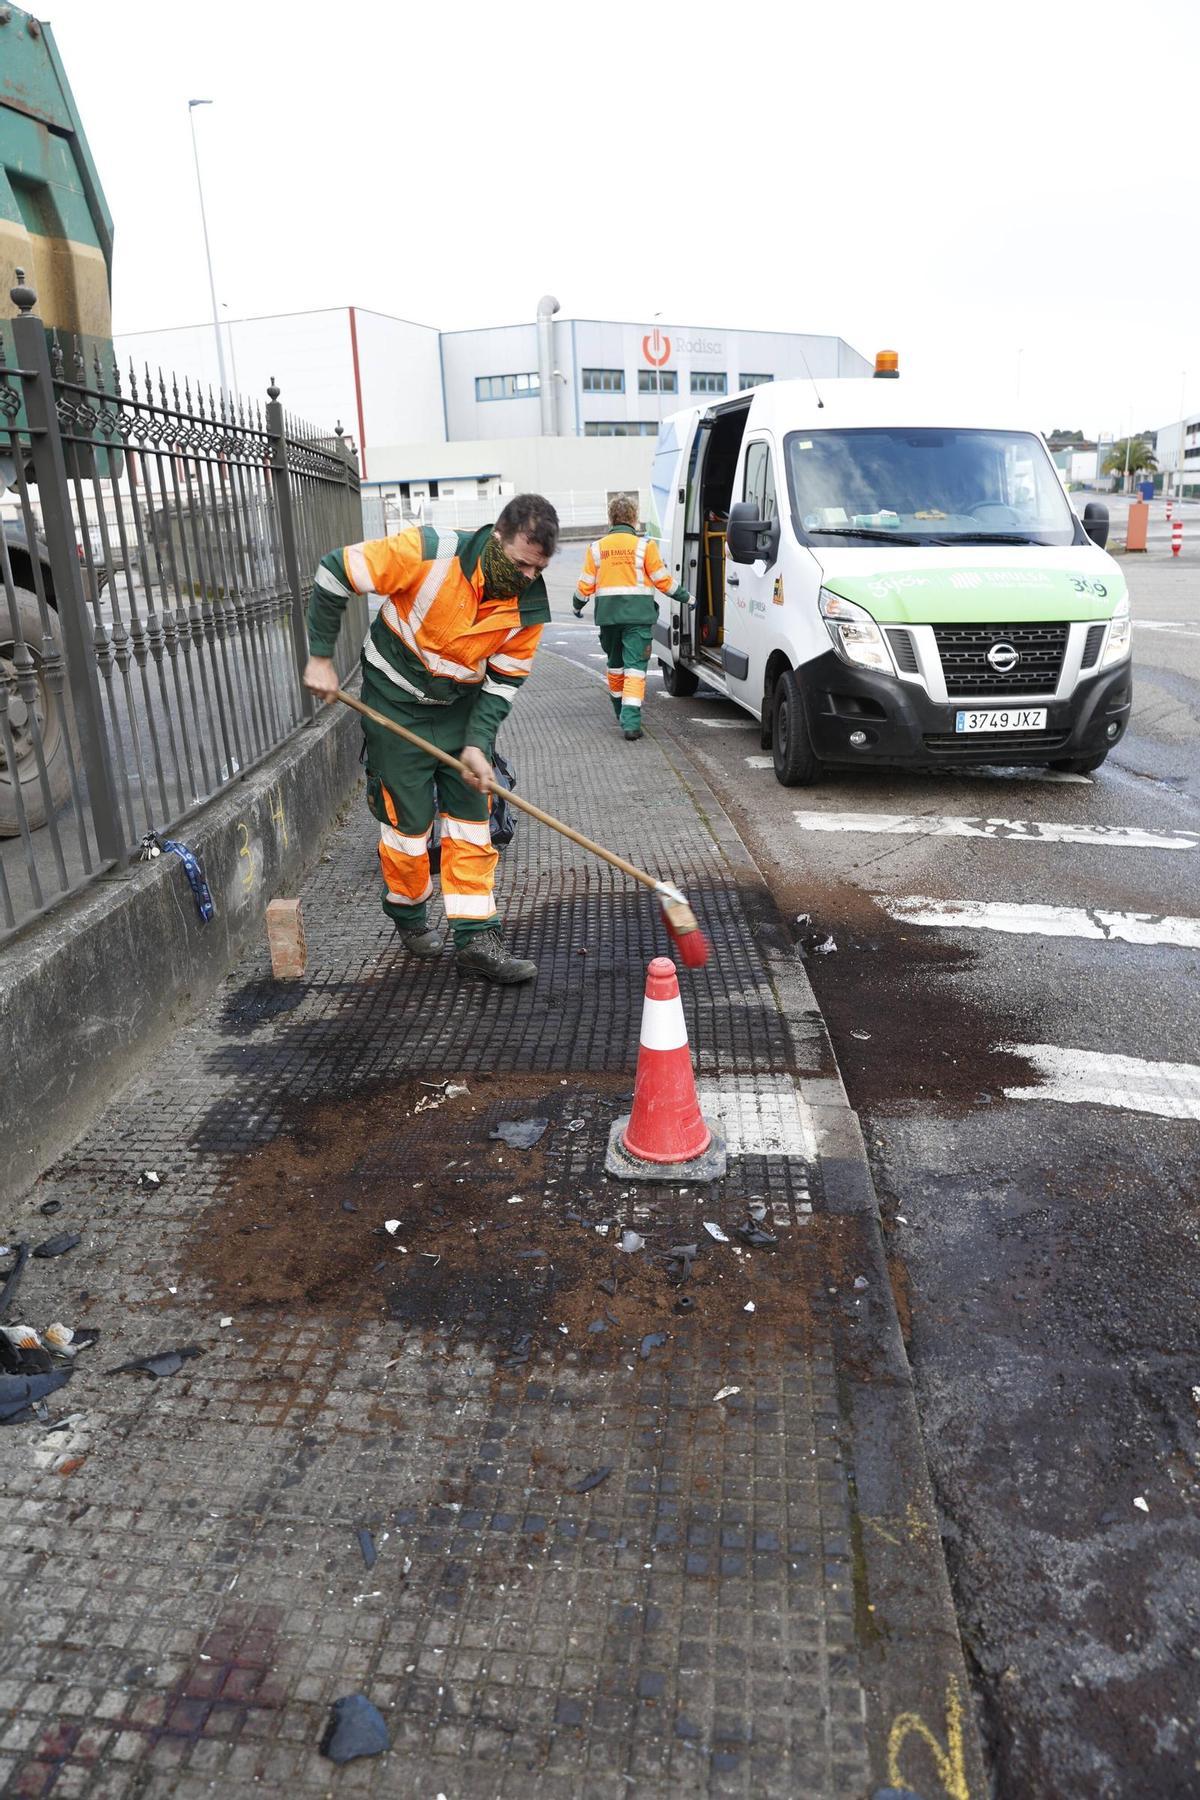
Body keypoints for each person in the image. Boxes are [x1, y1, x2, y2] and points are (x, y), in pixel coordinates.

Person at [302, 495, 558, 985]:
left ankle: (477, 938)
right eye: (521, 565)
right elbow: (336, 570)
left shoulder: (530, 606)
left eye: (538, 569)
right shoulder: (428, 552)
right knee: (408, 826)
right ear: (497, 538)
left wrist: (478, 744)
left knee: (471, 822)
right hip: (394, 700)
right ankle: (409, 914)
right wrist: (320, 657)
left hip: (461, 708)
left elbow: (503, 682)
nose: (527, 577)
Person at [572, 494, 689, 739]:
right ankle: (631, 723)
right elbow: (663, 581)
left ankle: (620, 712)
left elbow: (585, 585)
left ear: (610, 518)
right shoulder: (645, 547)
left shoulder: (596, 549)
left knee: (615, 667)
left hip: (609, 619)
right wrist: (687, 598)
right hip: (638, 619)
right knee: (635, 669)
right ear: (635, 519)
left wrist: (577, 606)